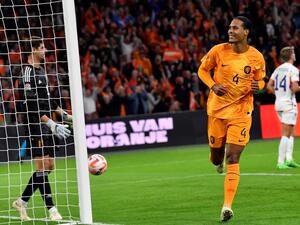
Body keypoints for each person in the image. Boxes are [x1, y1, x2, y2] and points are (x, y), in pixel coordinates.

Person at [198, 16, 265, 222]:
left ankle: (226, 206)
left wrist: (259, 87)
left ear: (246, 32)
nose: (230, 31)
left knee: (233, 157)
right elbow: (202, 70)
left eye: (235, 28)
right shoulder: (218, 51)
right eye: (229, 28)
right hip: (217, 112)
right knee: (216, 158)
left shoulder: (256, 57)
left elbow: (261, 80)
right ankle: (217, 163)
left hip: (241, 112)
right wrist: (213, 85)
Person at [12, 37, 73, 221]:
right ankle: (52, 209)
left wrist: (62, 114)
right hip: (34, 124)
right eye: (42, 47)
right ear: (33, 50)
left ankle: (21, 201)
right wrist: (50, 122)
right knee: (41, 167)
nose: (45, 50)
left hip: (46, 124)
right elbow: (30, 103)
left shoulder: (42, 71)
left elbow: (47, 99)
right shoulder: (27, 72)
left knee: (50, 166)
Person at [266, 46, 300, 169]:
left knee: (291, 132)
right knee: (286, 134)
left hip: (279, 104)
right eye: (294, 52)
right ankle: (280, 162)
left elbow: (269, 86)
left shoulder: (278, 69)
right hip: (289, 105)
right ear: (291, 56)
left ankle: (289, 159)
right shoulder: (293, 70)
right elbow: (295, 88)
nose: (295, 54)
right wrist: (289, 92)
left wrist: (279, 94)